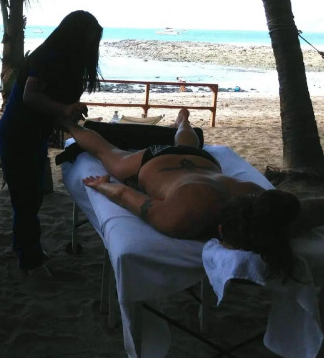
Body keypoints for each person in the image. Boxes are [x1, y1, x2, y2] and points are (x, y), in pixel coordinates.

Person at [61, 108, 324, 279]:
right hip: (156, 160)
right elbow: (121, 194)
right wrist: (102, 184)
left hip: (202, 161)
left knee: (187, 145)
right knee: (110, 155)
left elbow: (313, 208)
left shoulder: (258, 198)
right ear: (219, 230)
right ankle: (68, 125)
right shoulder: (181, 216)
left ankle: (183, 121)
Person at [0, 10, 103, 276]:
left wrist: (66, 115)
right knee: (26, 198)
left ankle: (23, 246)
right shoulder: (47, 57)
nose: (91, 47)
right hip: (17, 134)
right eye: (89, 40)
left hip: (34, 134)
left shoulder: (65, 60)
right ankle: (30, 259)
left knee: (31, 196)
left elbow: (49, 105)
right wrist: (65, 109)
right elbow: (29, 96)